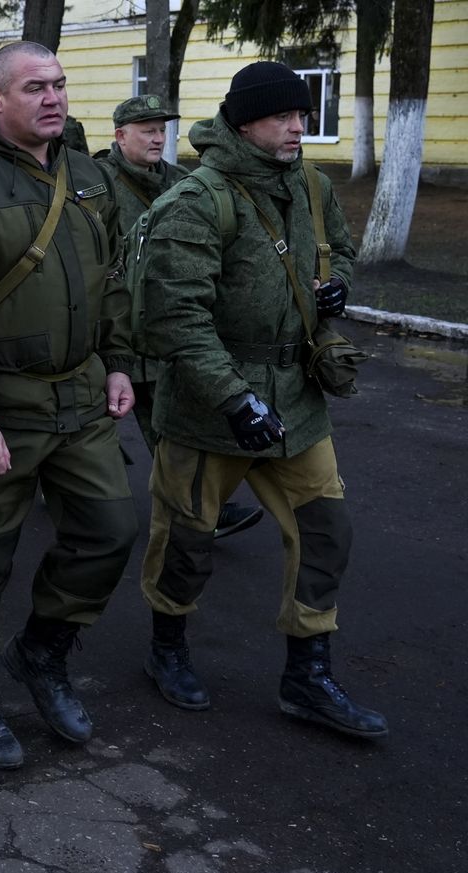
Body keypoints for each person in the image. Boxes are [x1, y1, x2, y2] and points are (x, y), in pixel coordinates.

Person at [136, 62, 387, 739]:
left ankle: (307, 674)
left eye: (303, 115)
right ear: (244, 121)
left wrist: (338, 286)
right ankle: (168, 649)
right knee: (187, 539)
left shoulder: (310, 184)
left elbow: (343, 250)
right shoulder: (196, 200)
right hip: (208, 407)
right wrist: (233, 399)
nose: (299, 127)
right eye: (284, 116)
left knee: (327, 532)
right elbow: (175, 318)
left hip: (298, 403)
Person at [0, 41, 139, 769]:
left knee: (110, 527)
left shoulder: (90, 177)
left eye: (60, 85)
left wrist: (118, 362)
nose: (53, 98)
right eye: (35, 87)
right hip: (2, 400)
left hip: (79, 390)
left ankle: (40, 652)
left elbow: (113, 281)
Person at [96, 95, 264, 541]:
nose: (158, 137)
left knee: (169, 430)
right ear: (120, 135)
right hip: (113, 331)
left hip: (165, 330)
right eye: (147, 129)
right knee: (89, 426)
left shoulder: (181, 181)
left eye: (161, 129)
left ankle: (200, 510)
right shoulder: (98, 184)